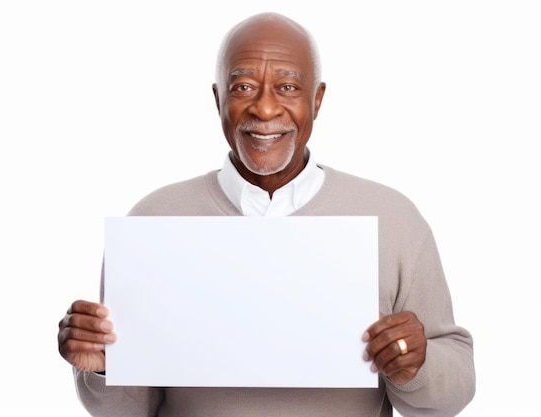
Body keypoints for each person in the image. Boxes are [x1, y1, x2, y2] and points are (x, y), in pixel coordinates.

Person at [58, 12, 475, 417]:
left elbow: (452, 396)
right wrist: (101, 368)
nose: (265, 109)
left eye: (289, 87)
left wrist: (416, 366)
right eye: (242, 87)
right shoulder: (151, 222)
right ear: (219, 98)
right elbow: (126, 410)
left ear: (317, 99)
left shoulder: (394, 219)